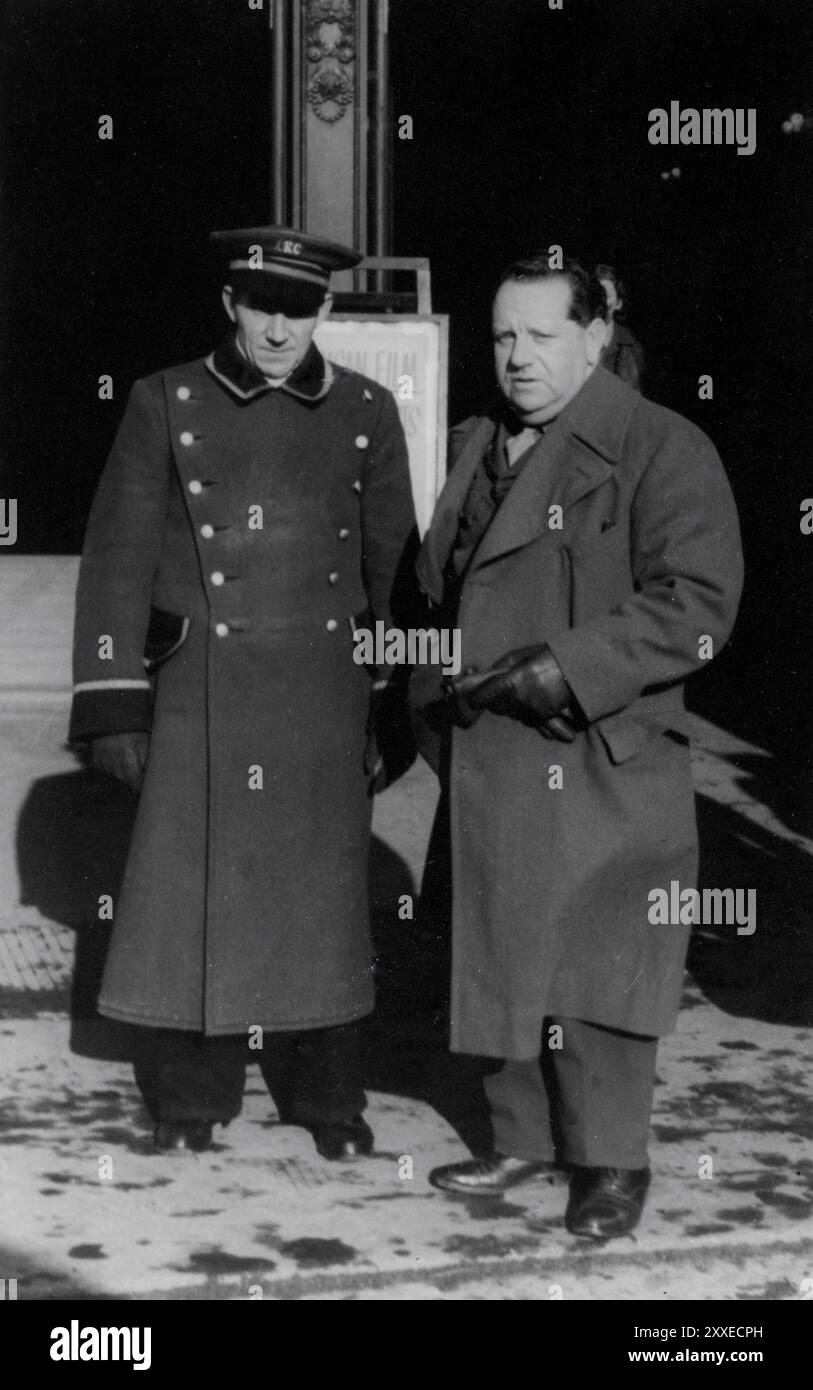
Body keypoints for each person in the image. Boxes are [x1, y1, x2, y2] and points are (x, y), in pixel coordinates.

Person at [411, 254, 743, 1238]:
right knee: (504, 947)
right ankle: (519, 1136)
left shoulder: (663, 446)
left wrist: (570, 664)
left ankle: (609, 1163)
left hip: (598, 746)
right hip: (494, 749)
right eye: (504, 336)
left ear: (596, 338)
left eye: (542, 336)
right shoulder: (482, 443)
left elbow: (699, 608)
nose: (517, 357)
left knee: (600, 965)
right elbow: (435, 586)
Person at [70, 226, 416, 1158]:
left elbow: (395, 573)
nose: (277, 330)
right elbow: (117, 562)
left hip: (321, 698)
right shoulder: (162, 401)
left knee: (322, 901)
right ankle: (191, 1102)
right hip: (201, 694)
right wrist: (112, 703)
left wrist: (394, 705)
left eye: (299, 310)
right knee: (194, 897)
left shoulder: (366, 412)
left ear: (326, 311)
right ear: (231, 304)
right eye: (263, 306)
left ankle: (329, 1105)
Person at [595, 263, 645, 392]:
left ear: (618, 303)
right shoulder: (574, 337)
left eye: (606, 296)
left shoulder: (630, 347)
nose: (600, 302)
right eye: (596, 295)